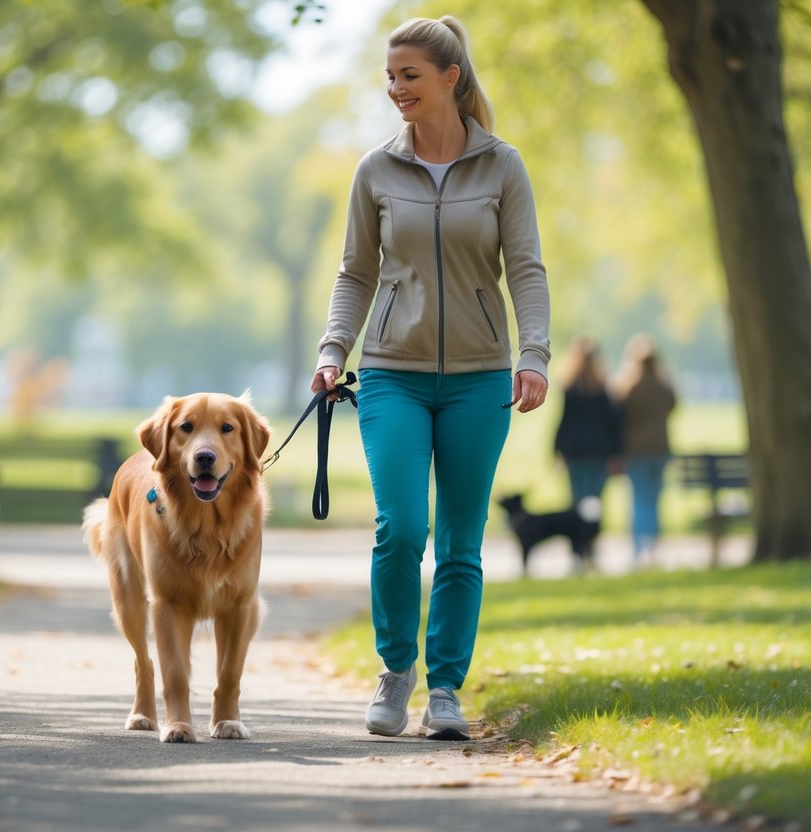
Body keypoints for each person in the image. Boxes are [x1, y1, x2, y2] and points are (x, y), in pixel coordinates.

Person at [311, 15, 551, 742]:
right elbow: (355, 272)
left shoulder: (501, 166)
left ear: (450, 78)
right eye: (389, 77)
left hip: (480, 378)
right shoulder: (375, 170)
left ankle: (444, 690)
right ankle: (394, 672)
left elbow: (526, 269)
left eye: (408, 76)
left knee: (460, 541)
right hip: (392, 373)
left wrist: (533, 354)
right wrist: (332, 352)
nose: (395, 90)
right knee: (400, 528)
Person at [614, 334, 677, 568]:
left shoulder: (629, 387)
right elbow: (673, 407)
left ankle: (640, 547)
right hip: (660, 448)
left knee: (639, 499)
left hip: (636, 450)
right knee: (654, 498)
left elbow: (619, 415)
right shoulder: (664, 386)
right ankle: (653, 546)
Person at [552, 336, 621, 505]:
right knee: (595, 501)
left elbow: (565, 421)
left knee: (578, 499)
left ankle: (579, 531)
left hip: (575, 450)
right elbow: (613, 423)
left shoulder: (570, 389)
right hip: (600, 450)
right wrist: (617, 452)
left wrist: (556, 449)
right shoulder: (604, 389)